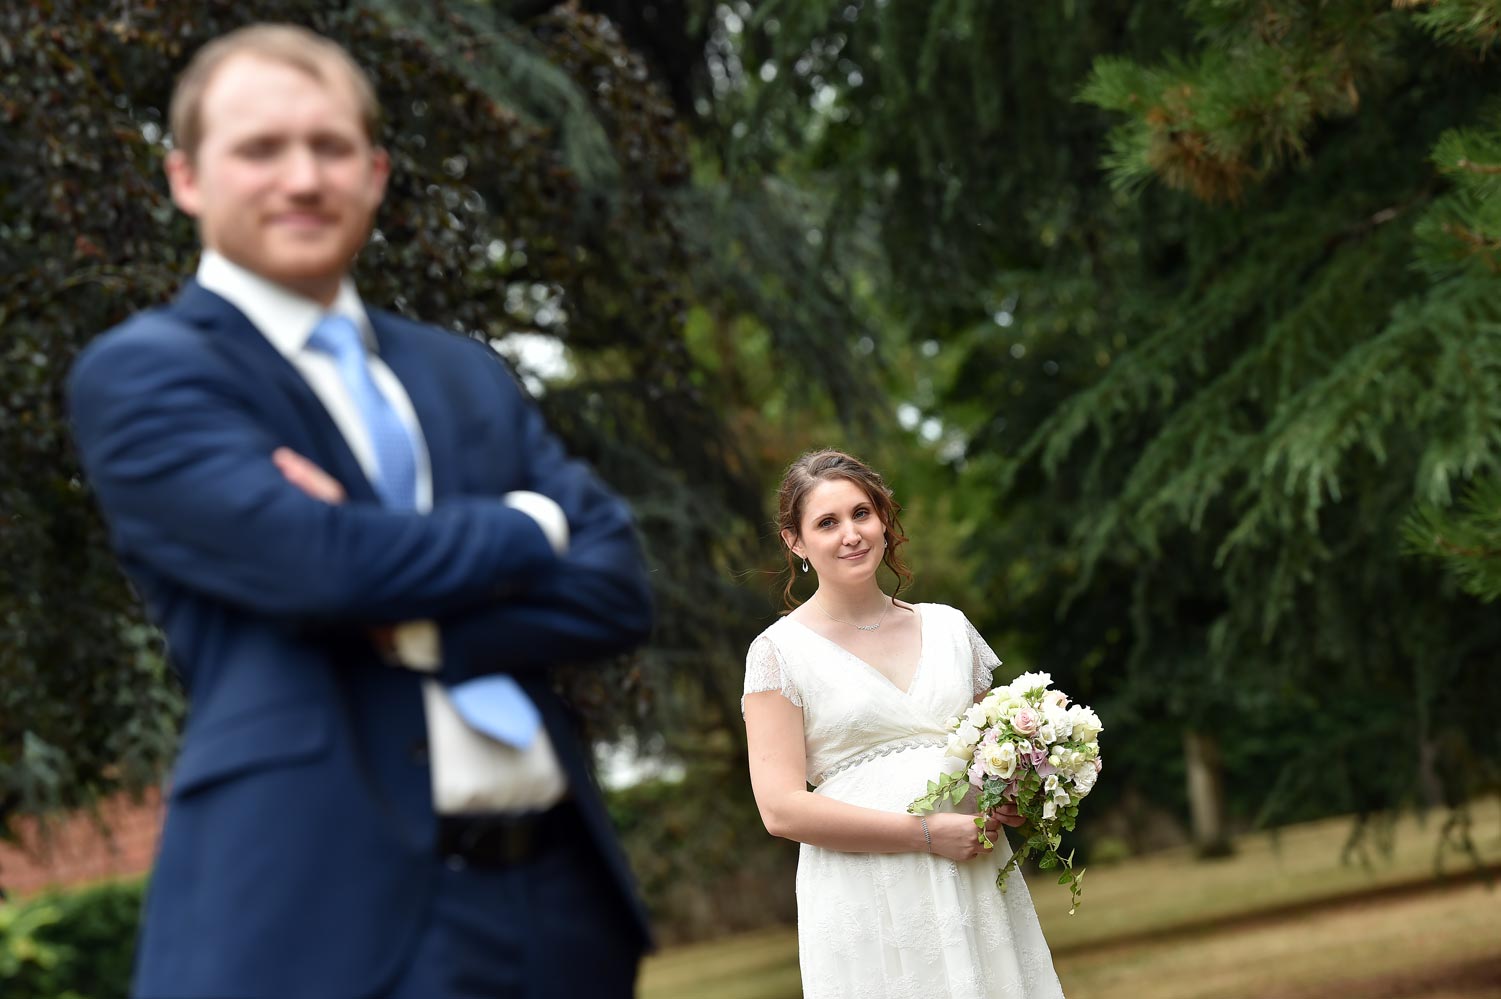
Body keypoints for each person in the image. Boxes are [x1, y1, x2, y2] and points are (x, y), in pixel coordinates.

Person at [67, 24, 653, 999]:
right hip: (323, 921)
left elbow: (615, 585)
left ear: (375, 174)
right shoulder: (146, 374)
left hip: (558, 909)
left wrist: (408, 619)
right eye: (260, 149)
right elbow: (322, 566)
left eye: (331, 147)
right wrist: (529, 527)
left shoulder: (461, 372)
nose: (302, 178)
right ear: (186, 178)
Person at [743, 449, 1065, 998]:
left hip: (971, 873)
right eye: (827, 523)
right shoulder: (779, 652)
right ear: (795, 542)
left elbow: (992, 756)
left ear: (883, 520)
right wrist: (925, 835)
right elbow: (780, 809)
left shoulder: (949, 629)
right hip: (866, 887)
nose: (851, 534)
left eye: (861, 514)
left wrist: (1013, 797)